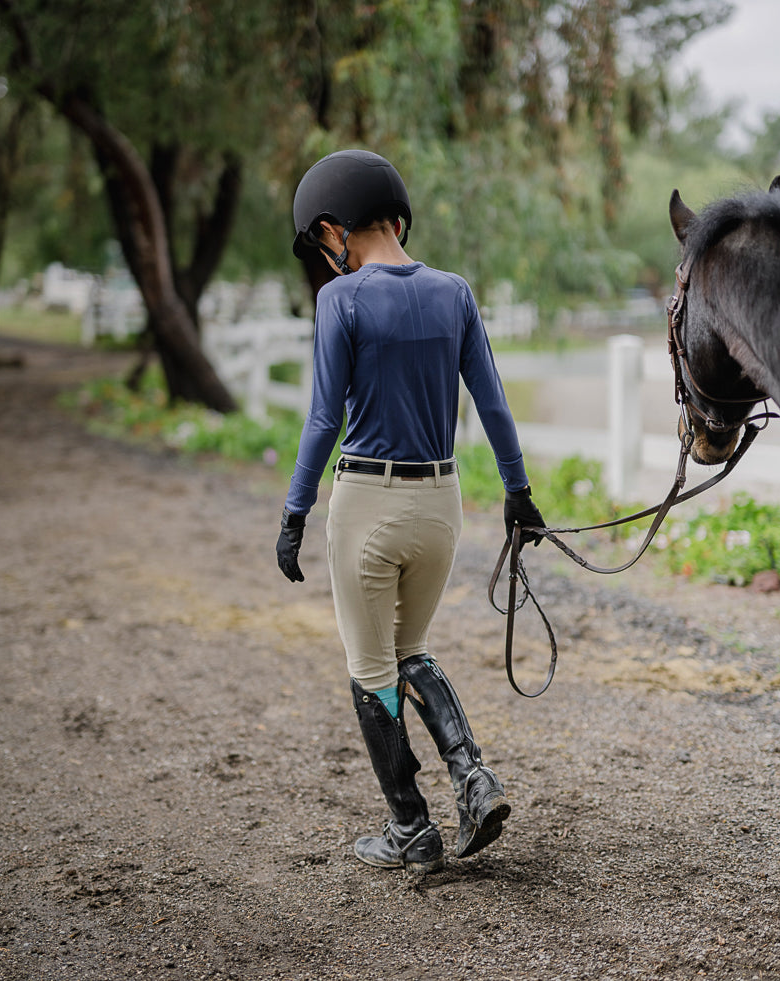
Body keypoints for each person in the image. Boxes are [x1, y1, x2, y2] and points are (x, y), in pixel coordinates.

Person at [276, 149, 545, 873]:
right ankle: (472, 775)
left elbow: (322, 419)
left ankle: (410, 828)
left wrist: (295, 511)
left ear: (333, 228)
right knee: (411, 649)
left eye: (321, 242)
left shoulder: (341, 299)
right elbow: (493, 404)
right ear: (395, 218)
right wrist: (518, 492)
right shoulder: (455, 292)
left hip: (368, 504)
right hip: (441, 506)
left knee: (370, 668)